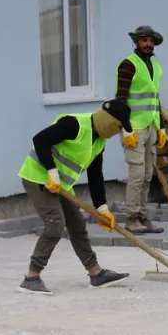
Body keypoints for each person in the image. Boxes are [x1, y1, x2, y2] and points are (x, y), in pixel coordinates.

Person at [16, 100, 133, 295]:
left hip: (60, 185)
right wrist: (51, 171)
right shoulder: (75, 125)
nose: (116, 133)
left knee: (77, 224)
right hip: (38, 177)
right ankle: (31, 277)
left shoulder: (99, 141)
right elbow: (40, 140)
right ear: (109, 120)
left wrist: (102, 209)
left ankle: (96, 273)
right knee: (55, 222)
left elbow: (95, 175)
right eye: (118, 127)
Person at [116, 25, 167, 234]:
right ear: (136, 42)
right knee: (136, 174)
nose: (148, 44)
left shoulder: (156, 68)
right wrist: (127, 129)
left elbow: (155, 99)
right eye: (144, 40)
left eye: (151, 41)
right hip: (134, 128)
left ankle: (143, 217)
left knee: (147, 175)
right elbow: (120, 99)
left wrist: (161, 127)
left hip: (150, 126)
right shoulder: (128, 65)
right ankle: (131, 217)